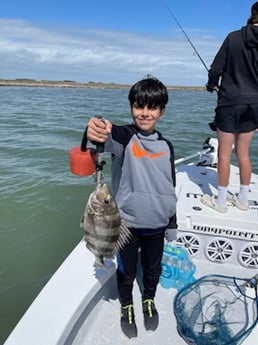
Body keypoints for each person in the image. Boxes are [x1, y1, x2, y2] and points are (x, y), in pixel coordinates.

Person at [86, 76, 177, 338]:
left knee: (152, 269)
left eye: (152, 107)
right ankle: (127, 305)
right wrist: (95, 129)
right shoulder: (126, 138)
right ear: (131, 108)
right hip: (126, 227)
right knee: (126, 271)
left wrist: (172, 222)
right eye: (139, 106)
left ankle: (148, 299)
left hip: (158, 226)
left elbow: (169, 185)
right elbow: (104, 135)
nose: (145, 113)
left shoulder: (166, 145)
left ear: (161, 111)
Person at [201, 2, 258, 213]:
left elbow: (216, 68)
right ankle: (243, 199)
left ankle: (222, 201)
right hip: (254, 105)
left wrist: (211, 84)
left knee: (224, 154)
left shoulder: (233, 37)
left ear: (252, 15)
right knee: (243, 154)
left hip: (229, 103)